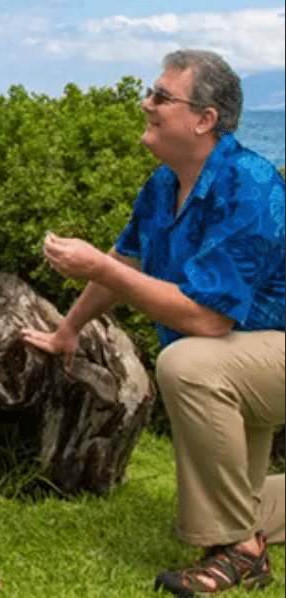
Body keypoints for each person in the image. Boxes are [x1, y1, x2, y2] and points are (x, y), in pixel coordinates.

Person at [23, 49, 284, 596]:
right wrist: (67, 331)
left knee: (188, 362)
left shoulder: (250, 186)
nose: (146, 103)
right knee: (237, 497)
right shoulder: (164, 185)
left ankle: (241, 553)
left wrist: (95, 264)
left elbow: (207, 321)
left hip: (254, 350)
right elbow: (124, 264)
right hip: (247, 354)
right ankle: (245, 529)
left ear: (204, 119)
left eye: (162, 97)